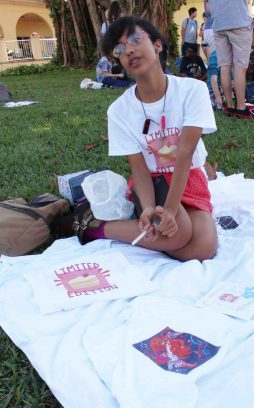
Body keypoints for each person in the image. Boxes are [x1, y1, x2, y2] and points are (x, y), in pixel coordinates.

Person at [79, 16, 218, 262]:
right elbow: (139, 167)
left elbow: (185, 153)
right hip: (153, 183)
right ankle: (92, 225)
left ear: (157, 45)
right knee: (178, 233)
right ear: (120, 62)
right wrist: (149, 208)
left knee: (204, 248)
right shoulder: (119, 110)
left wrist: (172, 209)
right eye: (120, 50)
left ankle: (108, 226)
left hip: (189, 177)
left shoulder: (192, 91)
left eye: (135, 39)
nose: (129, 49)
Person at [208, 0, 254, 119]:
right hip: (238, 21)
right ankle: (241, 108)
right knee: (240, 67)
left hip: (218, 24)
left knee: (224, 66)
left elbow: (208, 8)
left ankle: (229, 106)